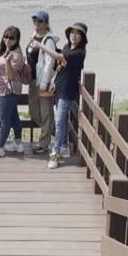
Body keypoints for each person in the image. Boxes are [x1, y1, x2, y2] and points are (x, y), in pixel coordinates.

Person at [31, 22, 88, 169]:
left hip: (68, 91)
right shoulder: (68, 47)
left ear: (82, 37)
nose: (74, 35)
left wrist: (41, 45)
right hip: (59, 88)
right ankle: (63, 147)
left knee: (60, 120)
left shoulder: (79, 53)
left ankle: (55, 153)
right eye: (72, 33)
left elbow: (58, 57)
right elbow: (60, 67)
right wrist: (53, 80)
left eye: (77, 33)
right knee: (62, 119)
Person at [0, 26, 28, 159]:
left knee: (5, 120)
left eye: (11, 37)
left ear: (17, 39)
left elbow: (10, 75)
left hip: (8, 90)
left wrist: (8, 61)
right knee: (14, 117)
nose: (8, 40)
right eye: (6, 36)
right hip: (2, 89)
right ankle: (18, 144)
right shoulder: (3, 50)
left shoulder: (16, 55)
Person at [25, 10, 58, 154]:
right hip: (32, 80)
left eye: (40, 21)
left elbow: (49, 62)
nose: (36, 24)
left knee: (46, 112)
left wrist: (44, 84)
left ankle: (43, 144)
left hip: (42, 81)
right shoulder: (33, 37)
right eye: (35, 21)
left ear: (46, 23)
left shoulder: (48, 40)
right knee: (33, 112)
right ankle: (56, 131)